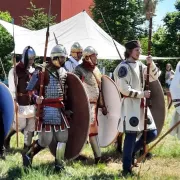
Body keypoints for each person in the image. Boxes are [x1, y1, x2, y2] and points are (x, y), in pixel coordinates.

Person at [113, 40, 159, 175]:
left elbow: (154, 76)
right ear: (129, 51)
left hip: (141, 104)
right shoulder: (123, 67)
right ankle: (126, 169)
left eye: (140, 50)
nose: (140, 52)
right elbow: (124, 89)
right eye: (137, 50)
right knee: (131, 136)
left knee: (152, 133)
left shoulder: (139, 65)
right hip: (130, 105)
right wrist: (141, 94)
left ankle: (132, 151)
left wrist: (151, 63)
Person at [23, 44, 70, 171]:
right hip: (47, 109)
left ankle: (59, 167)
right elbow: (29, 90)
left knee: (63, 138)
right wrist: (36, 98)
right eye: (61, 58)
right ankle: (27, 156)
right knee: (45, 140)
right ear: (55, 57)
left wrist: (68, 107)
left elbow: (66, 93)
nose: (63, 60)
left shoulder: (64, 72)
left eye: (64, 58)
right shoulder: (41, 71)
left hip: (59, 109)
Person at [74, 46, 107, 164]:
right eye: (94, 56)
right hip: (85, 105)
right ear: (87, 57)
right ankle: (79, 154)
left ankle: (97, 156)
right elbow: (75, 87)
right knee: (87, 129)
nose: (96, 58)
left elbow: (100, 88)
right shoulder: (79, 69)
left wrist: (102, 104)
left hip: (95, 104)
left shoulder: (96, 70)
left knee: (93, 129)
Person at [5, 46, 36, 152]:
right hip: (20, 101)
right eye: (30, 59)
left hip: (31, 101)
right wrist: (14, 101)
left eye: (33, 59)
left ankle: (27, 146)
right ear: (26, 58)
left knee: (31, 125)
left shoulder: (32, 70)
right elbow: (12, 89)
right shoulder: (14, 70)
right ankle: (6, 138)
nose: (32, 61)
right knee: (20, 124)